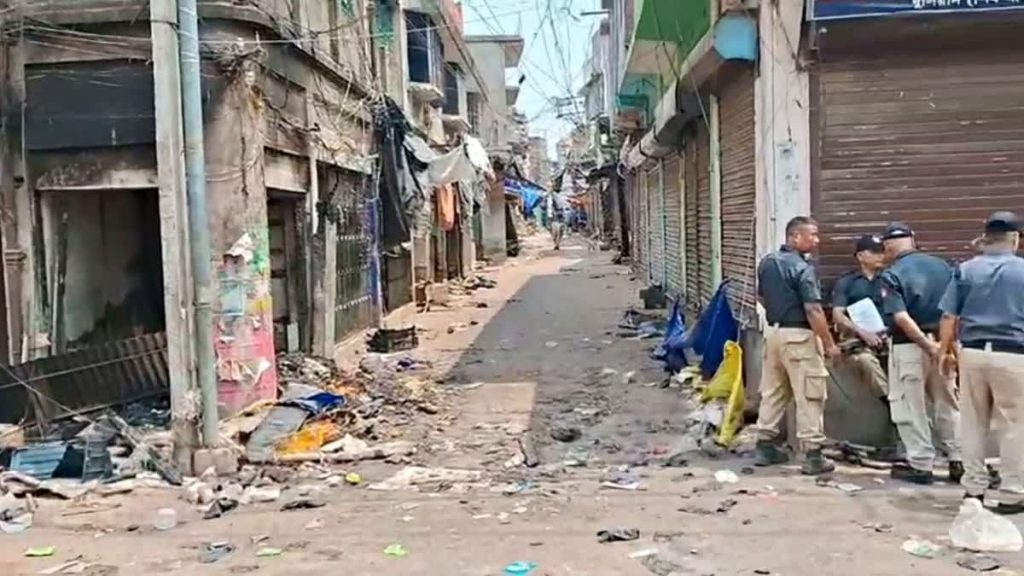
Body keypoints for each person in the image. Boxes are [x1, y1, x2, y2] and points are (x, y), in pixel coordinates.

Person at [939, 211, 1024, 512]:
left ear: (986, 238)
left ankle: (974, 489)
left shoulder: (966, 269)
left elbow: (949, 315)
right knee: (1014, 425)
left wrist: (944, 351)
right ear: (1015, 239)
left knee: (973, 423)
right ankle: (1012, 493)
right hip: (1013, 354)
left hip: (972, 353)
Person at [753, 216, 841, 475]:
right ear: (794, 237)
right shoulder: (802, 268)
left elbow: (760, 296)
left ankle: (765, 445)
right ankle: (813, 454)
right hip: (799, 336)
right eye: (812, 235)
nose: (817, 240)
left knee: (773, 391)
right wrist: (829, 343)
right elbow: (813, 309)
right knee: (810, 394)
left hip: (773, 333)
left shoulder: (767, 263)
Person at [879, 222, 962, 485]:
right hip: (943, 343)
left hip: (909, 347)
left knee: (909, 405)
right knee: (948, 402)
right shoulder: (943, 267)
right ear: (913, 241)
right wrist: (946, 346)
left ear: (888, 247)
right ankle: (959, 459)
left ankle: (921, 464)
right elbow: (955, 311)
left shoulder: (892, 274)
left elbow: (901, 317)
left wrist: (927, 347)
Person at [832, 234, 889, 400]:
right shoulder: (847, 282)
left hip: (888, 337)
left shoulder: (889, 279)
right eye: (874, 252)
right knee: (866, 362)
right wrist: (862, 332)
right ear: (860, 256)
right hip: (858, 340)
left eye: (881, 252)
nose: (880, 256)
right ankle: (888, 401)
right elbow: (838, 315)